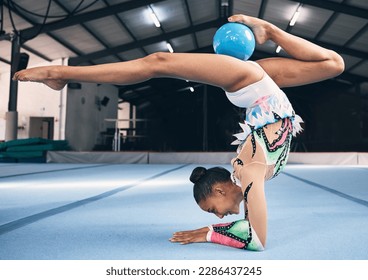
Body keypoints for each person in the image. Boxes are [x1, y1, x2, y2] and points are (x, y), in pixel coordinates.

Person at [13, 14, 344, 250]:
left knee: (159, 62)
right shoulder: (250, 174)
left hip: (253, 85)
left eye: (215, 211)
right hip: (257, 84)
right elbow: (257, 240)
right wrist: (212, 231)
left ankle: (62, 71)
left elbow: (250, 232)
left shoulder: (247, 173)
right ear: (218, 187)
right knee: (158, 61)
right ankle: (60, 73)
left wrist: (209, 232)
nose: (223, 213)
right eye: (215, 211)